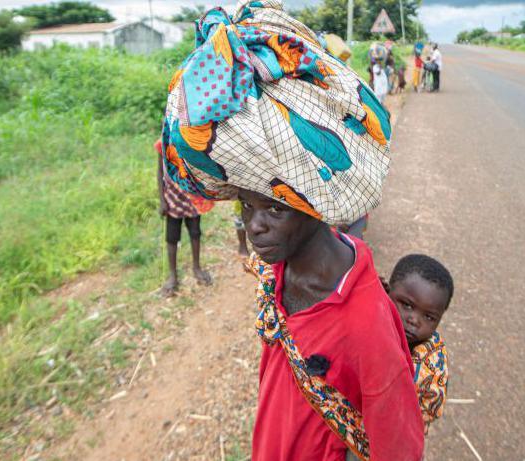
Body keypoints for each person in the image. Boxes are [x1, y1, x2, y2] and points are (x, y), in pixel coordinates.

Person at [161, 3, 423, 460]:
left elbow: (398, 449)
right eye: (246, 204)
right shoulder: (277, 276)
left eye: (273, 209)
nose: (253, 224)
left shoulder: (366, 326)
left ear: (314, 205)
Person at [385, 254, 453, 434]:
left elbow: (429, 409)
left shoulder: (431, 363)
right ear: (386, 292)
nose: (414, 320)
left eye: (429, 317)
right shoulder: (372, 315)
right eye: (407, 305)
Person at [155, 139, 212, 297]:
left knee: (195, 232)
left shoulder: (188, 140)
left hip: (191, 195)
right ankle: (173, 275)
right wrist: (162, 200)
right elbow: (160, 172)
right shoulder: (162, 144)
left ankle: (196, 267)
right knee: (172, 237)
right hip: (172, 197)